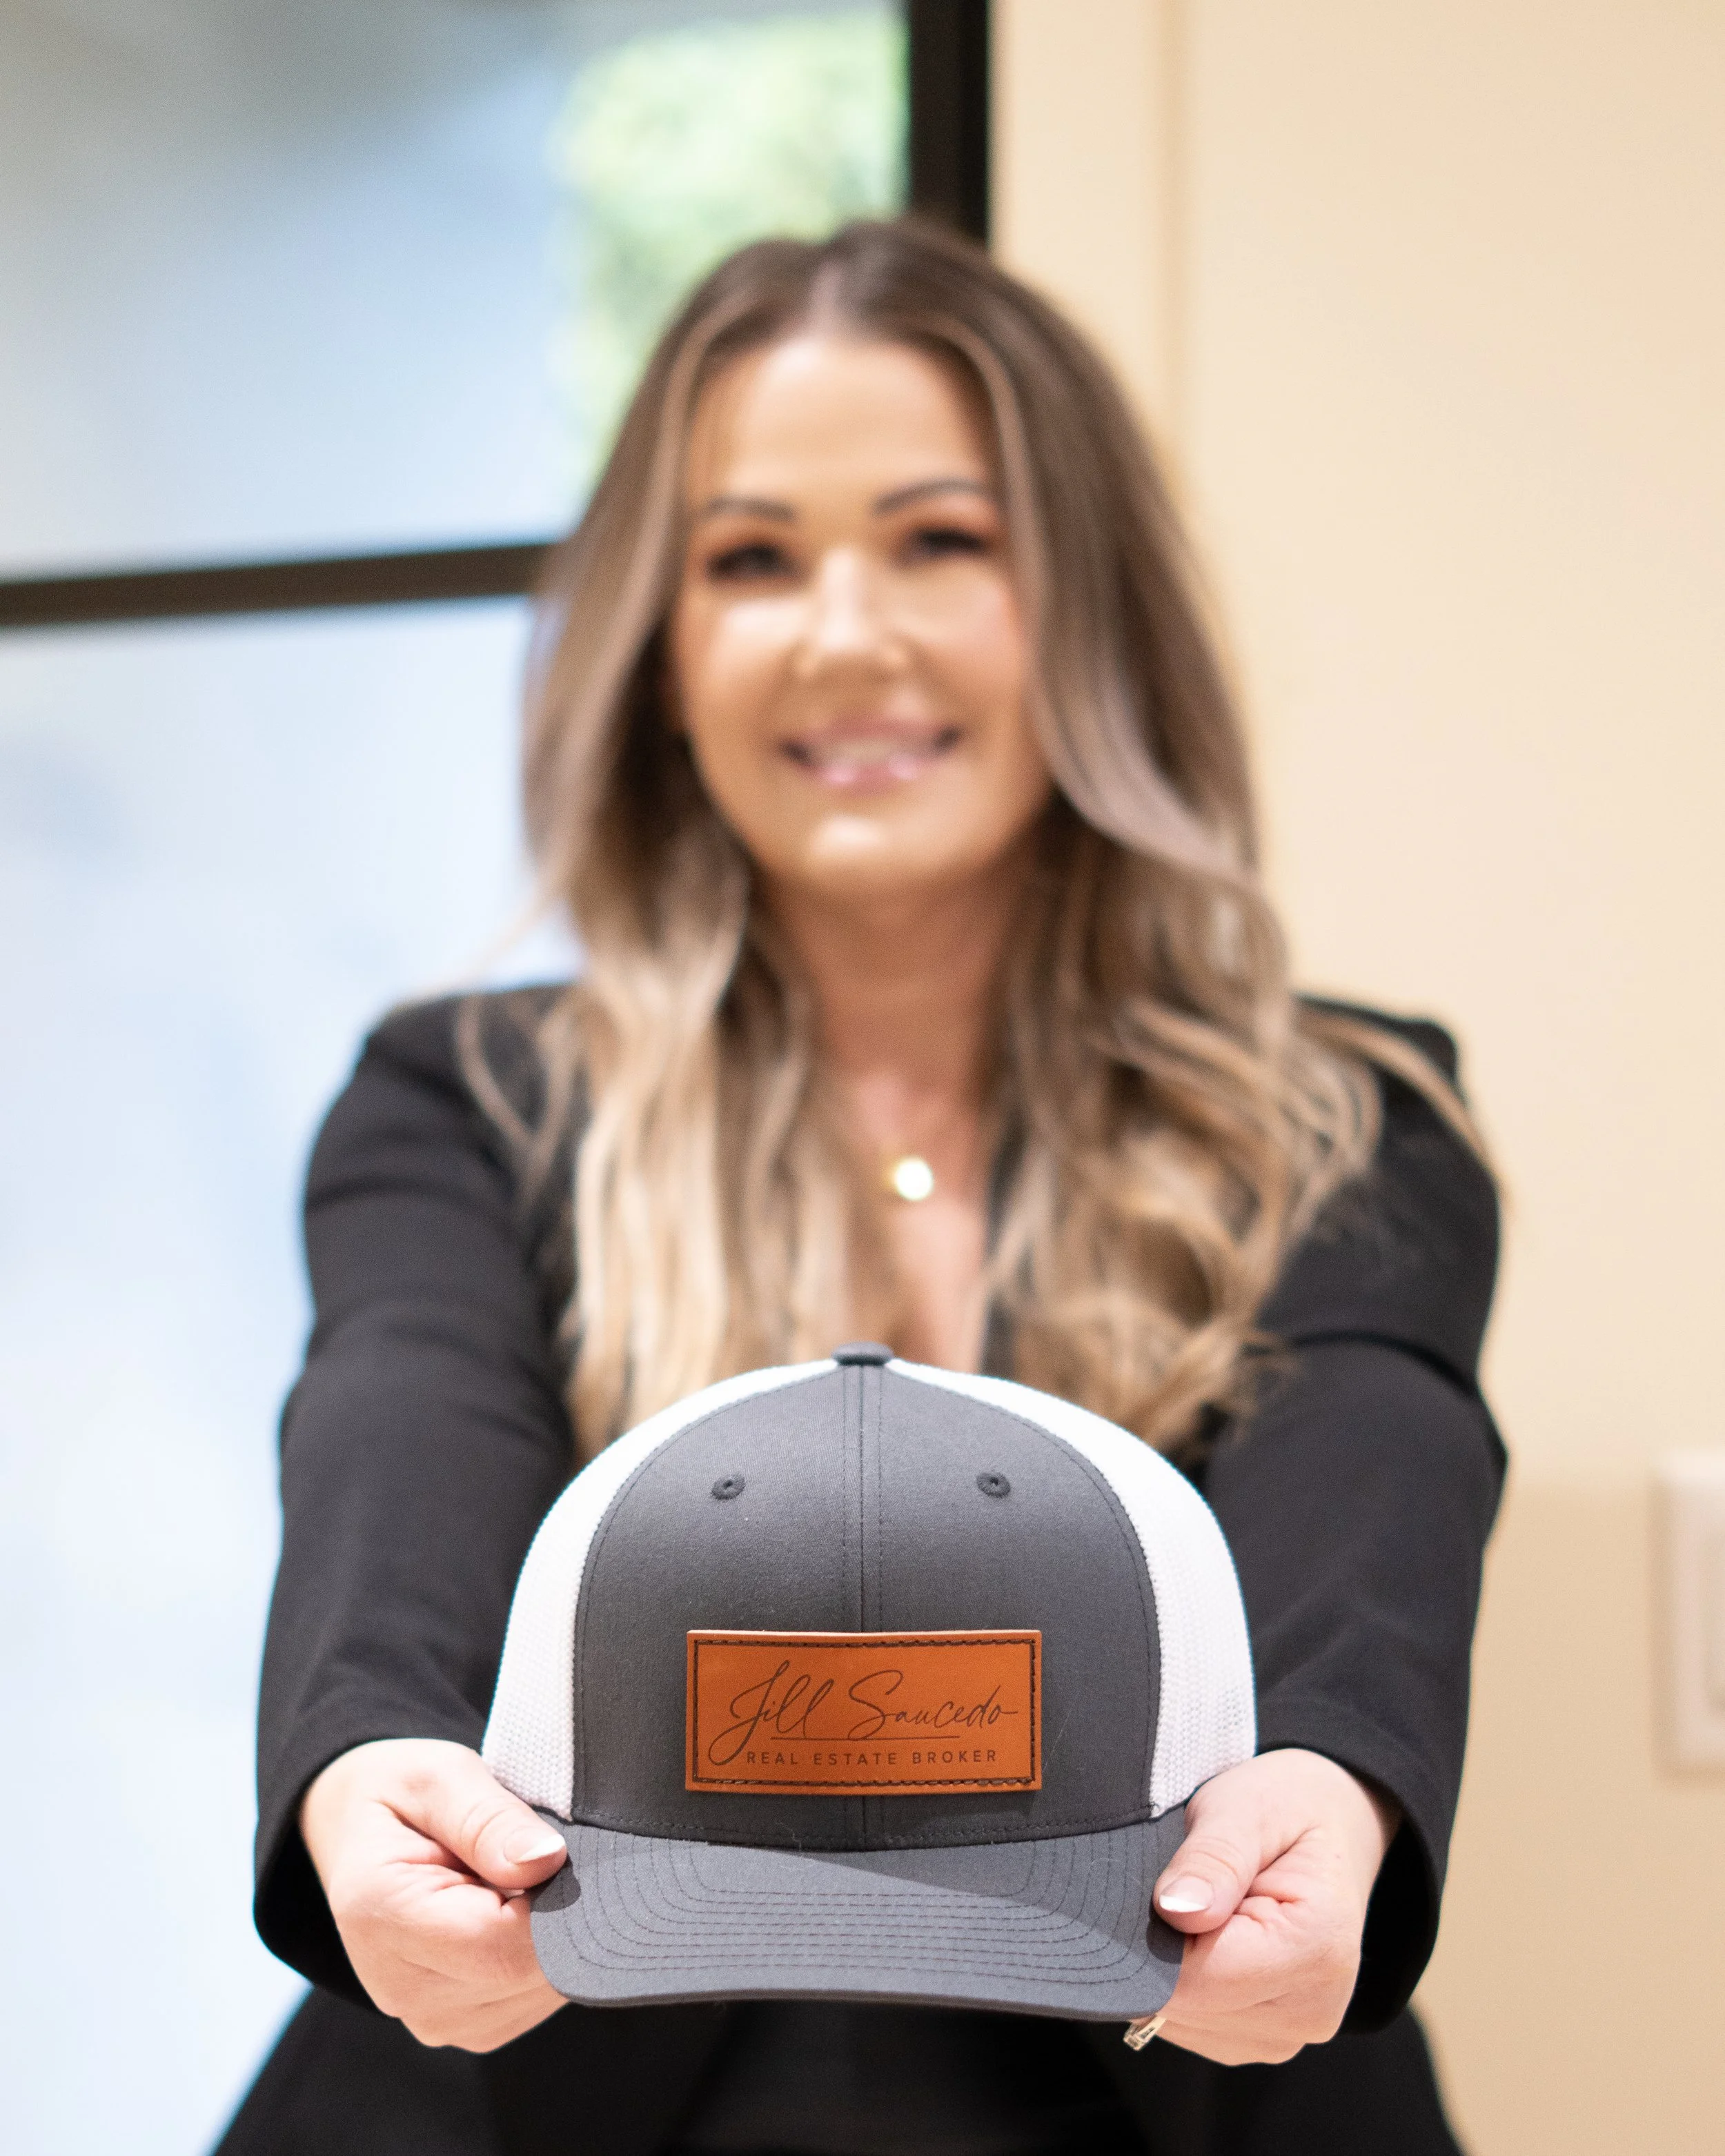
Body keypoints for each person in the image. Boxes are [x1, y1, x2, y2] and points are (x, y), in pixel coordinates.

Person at [219, 220, 1501, 2156]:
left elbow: (1378, 1452)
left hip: (1185, 2082)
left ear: (1087, 613)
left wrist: (1337, 1777)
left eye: (940, 540)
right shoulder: (463, 1103)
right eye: (749, 559)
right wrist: (369, 1752)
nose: (842, 633)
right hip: (530, 2085)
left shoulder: (1348, 1117)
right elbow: (401, 1421)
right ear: (661, 655)